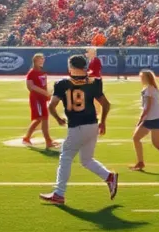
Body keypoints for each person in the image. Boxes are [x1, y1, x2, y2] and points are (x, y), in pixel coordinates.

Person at [40, 54, 117, 205]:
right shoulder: (95, 82)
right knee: (86, 159)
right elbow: (106, 104)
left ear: (72, 67)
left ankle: (59, 193)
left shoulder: (62, 84)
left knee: (66, 157)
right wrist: (103, 122)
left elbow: (51, 106)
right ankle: (109, 177)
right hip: (92, 124)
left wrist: (58, 118)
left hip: (77, 126)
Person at [130, 69, 159, 173]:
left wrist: (141, 119)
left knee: (137, 138)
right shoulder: (152, 88)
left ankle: (141, 162)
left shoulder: (149, 89)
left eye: (142, 77)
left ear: (146, 78)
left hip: (151, 119)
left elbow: (148, 106)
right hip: (157, 118)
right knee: (156, 142)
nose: (140, 79)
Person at [22, 53, 58, 150]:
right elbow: (31, 87)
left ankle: (47, 141)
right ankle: (28, 138)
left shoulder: (42, 72)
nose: (42, 61)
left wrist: (48, 95)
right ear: (35, 61)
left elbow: (44, 85)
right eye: (39, 59)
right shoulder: (31, 73)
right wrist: (45, 93)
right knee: (39, 118)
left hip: (42, 98)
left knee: (43, 118)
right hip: (36, 98)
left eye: (42, 59)